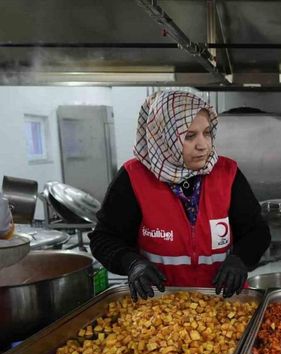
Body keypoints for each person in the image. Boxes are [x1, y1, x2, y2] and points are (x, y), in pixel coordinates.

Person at [90, 91, 271, 301]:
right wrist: (132, 263)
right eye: (189, 136)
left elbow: (257, 231)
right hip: (161, 307)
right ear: (163, 136)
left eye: (207, 132)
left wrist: (240, 258)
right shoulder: (133, 177)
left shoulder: (227, 173)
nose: (203, 145)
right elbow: (103, 238)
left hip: (223, 302)